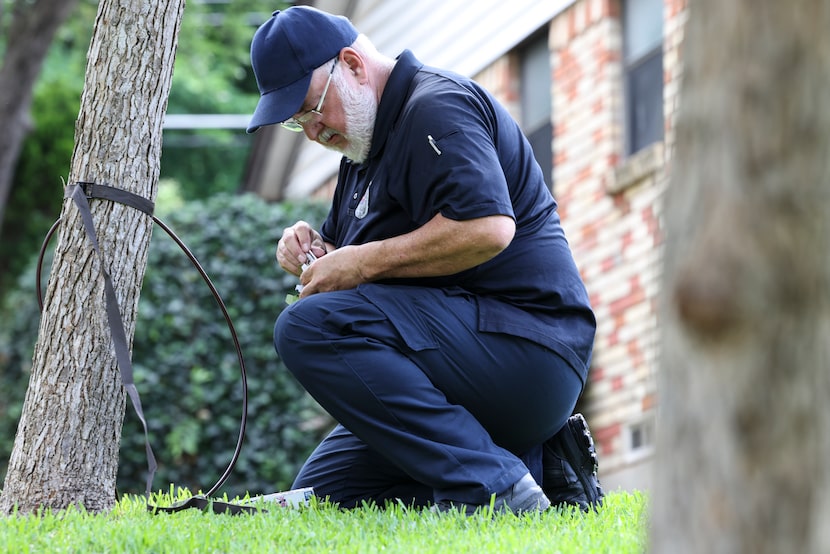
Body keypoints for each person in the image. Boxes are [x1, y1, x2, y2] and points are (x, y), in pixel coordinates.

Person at [247, 6, 604, 514]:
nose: (312, 132)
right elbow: (354, 267)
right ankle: (543, 472)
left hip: (531, 353)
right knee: (325, 498)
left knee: (304, 329)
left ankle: (498, 488)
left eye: (311, 109)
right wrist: (312, 251)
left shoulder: (436, 106)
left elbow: (489, 228)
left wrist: (361, 263)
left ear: (350, 63)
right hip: (467, 362)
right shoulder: (362, 151)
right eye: (296, 122)